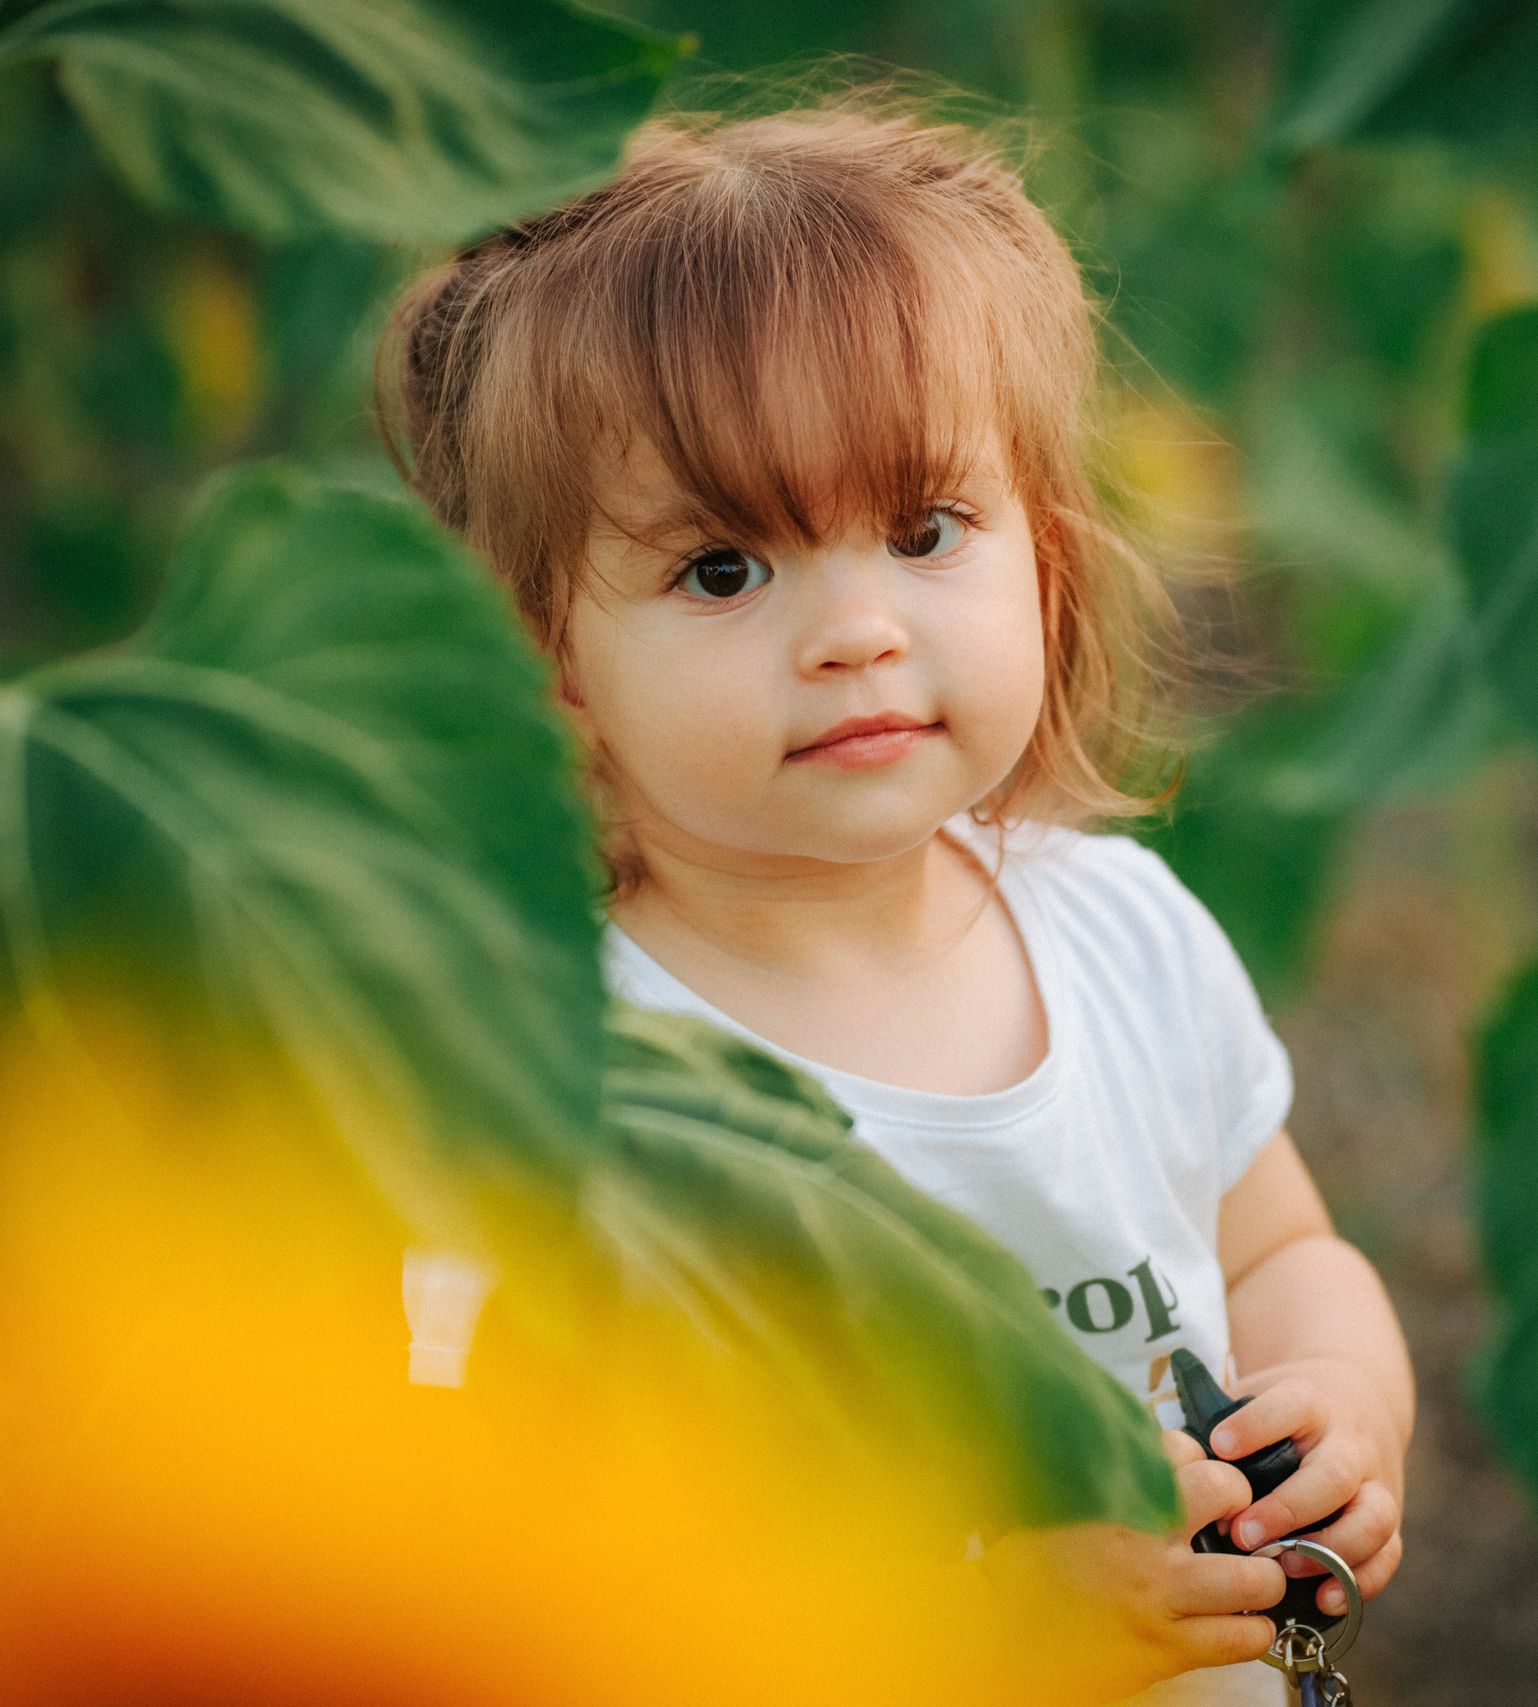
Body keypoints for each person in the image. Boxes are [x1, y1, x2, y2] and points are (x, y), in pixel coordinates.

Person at [380, 100, 1412, 1703]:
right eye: (726, 569)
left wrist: (1340, 1400)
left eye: (925, 530)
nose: (858, 627)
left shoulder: (1120, 935)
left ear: (1047, 561)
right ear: (550, 662)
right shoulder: (553, 1081)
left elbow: (1278, 1247)